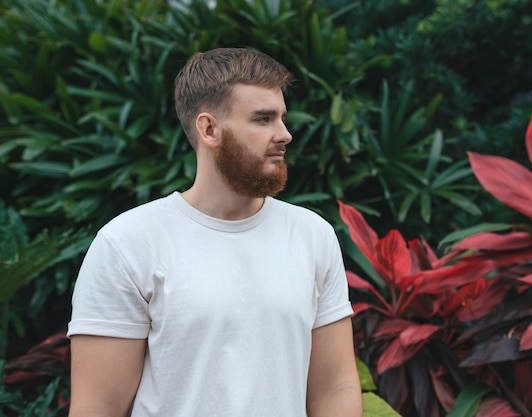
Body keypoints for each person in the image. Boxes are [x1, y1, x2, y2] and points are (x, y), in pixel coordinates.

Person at [66, 48, 362, 417]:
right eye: (263, 119)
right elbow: (98, 408)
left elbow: (335, 388)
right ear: (209, 129)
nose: (284, 134)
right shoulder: (129, 243)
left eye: (282, 118)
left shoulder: (312, 235)